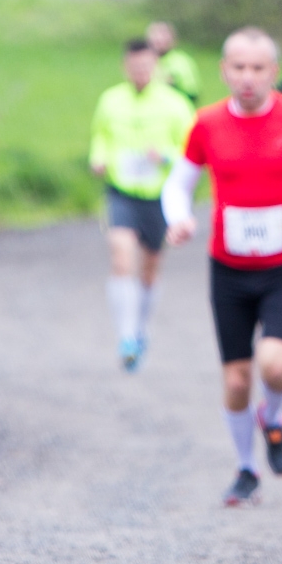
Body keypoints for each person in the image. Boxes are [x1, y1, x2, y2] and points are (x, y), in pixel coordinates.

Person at [162, 28, 282, 507]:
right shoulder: (206, 123)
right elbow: (178, 184)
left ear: (274, 72)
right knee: (235, 379)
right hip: (228, 270)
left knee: (274, 366)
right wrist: (179, 218)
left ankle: (272, 417)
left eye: (257, 68)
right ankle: (246, 468)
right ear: (224, 70)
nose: (247, 77)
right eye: (238, 67)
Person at [89, 37, 196, 371]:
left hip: (159, 194)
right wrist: (99, 158)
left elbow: (193, 154)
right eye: (135, 67)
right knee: (121, 255)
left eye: (147, 67)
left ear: (156, 66)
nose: (141, 72)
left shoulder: (176, 105)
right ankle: (126, 336)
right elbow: (100, 136)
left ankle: (141, 327)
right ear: (126, 66)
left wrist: (164, 156)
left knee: (149, 269)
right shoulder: (110, 100)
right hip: (121, 190)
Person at [147, 20, 202, 104]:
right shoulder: (143, 61)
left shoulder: (182, 62)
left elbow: (193, 94)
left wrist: (173, 86)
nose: (159, 38)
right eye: (155, 35)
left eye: (163, 35)